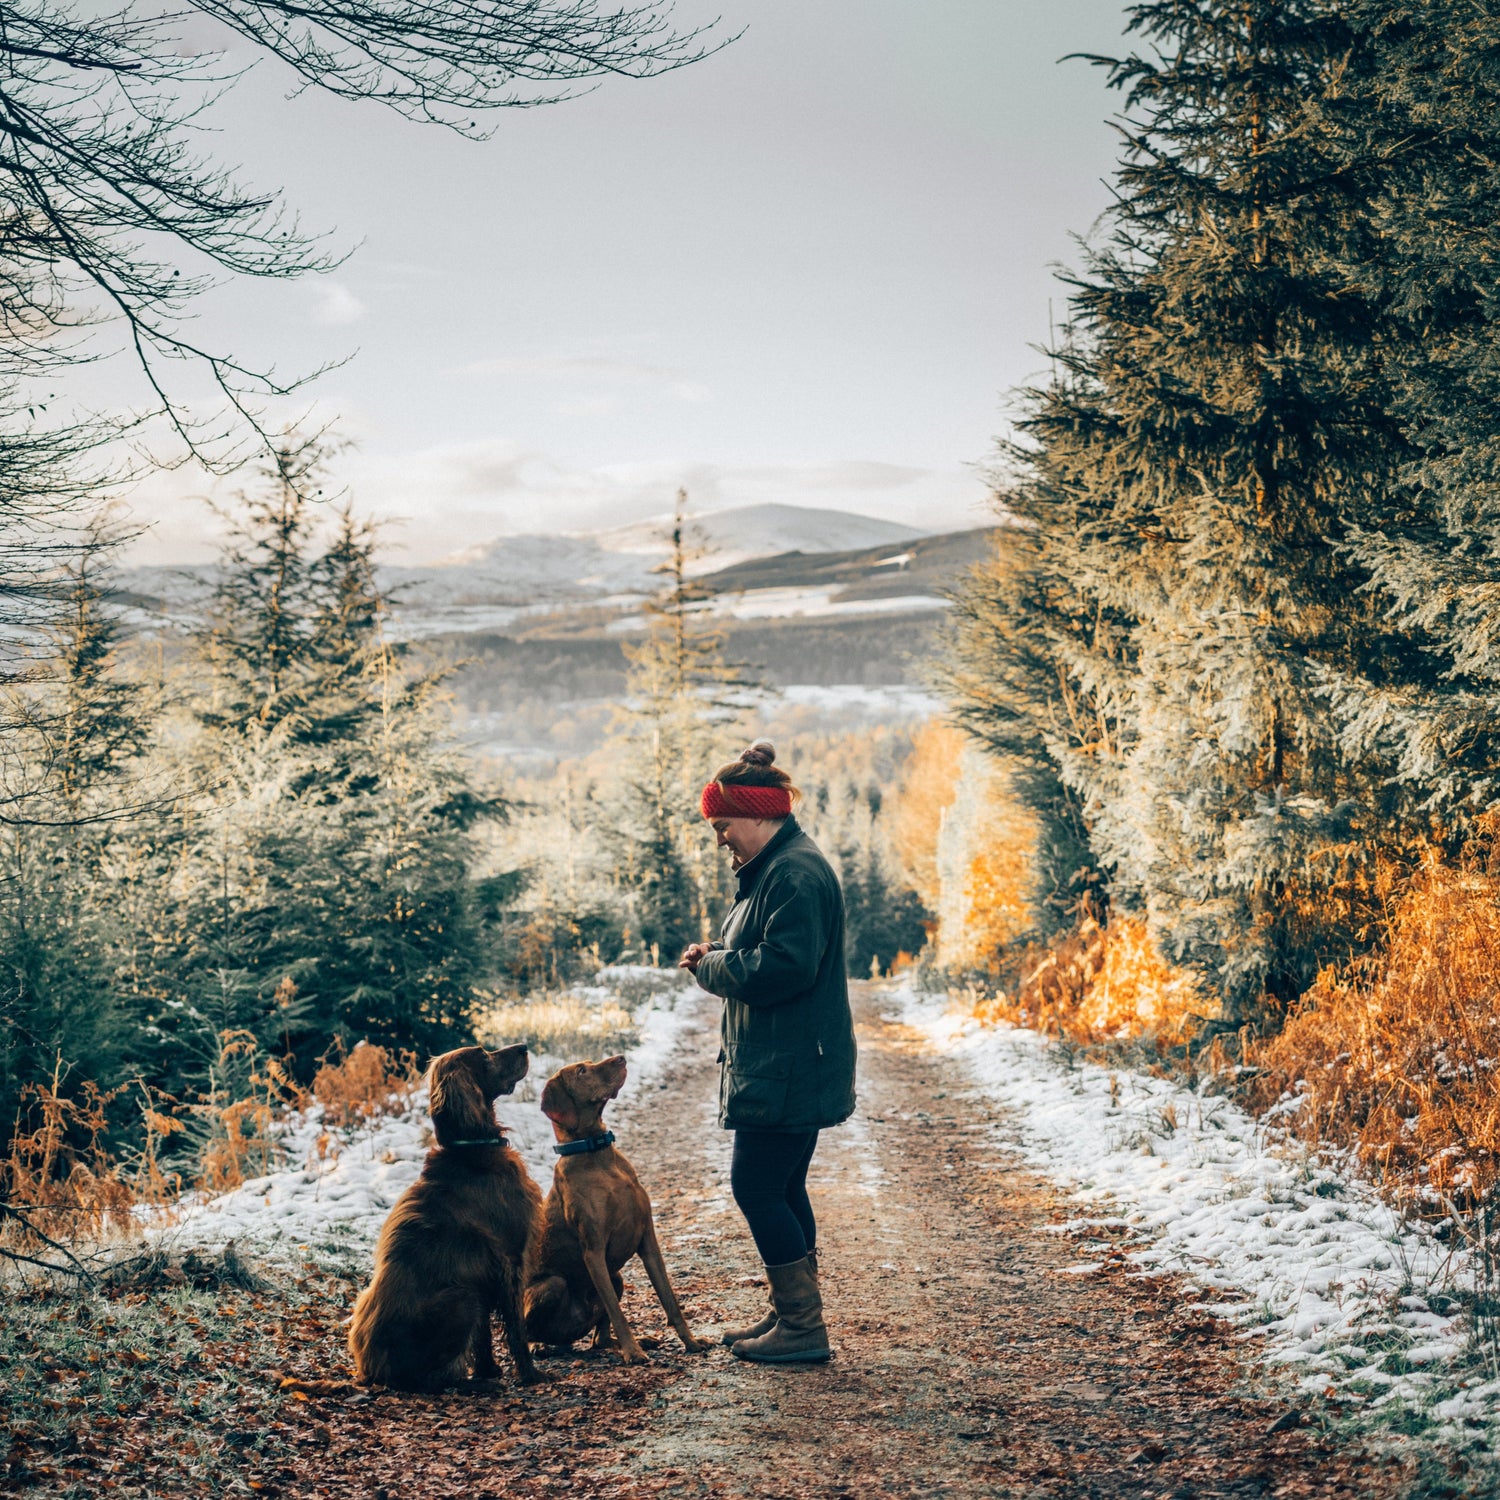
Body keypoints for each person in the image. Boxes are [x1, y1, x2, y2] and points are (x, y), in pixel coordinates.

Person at [679, 740, 857, 1365]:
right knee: (783, 1184)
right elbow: (764, 949)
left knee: (755, 1185)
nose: (720, 839)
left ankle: (803, 1330)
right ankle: (792, 1314)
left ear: (757, 815)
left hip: (787, 1065)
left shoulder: (795, 873)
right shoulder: (779, 868)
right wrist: (719, 956)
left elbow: (783, 968)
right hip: (788, 1061)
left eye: (723, 826)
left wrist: (714, 967)